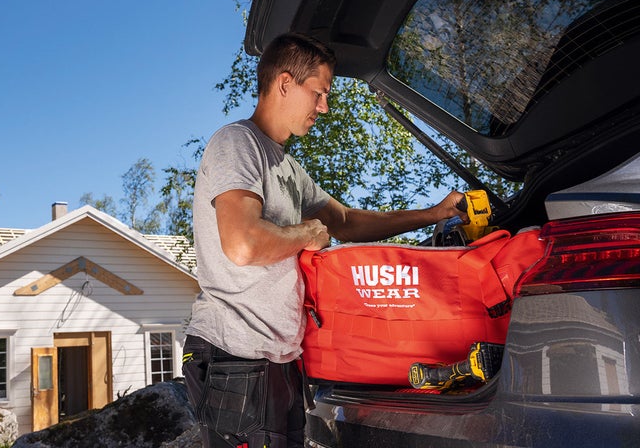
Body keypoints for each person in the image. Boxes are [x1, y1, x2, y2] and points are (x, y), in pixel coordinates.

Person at [182, 32, 465, 448]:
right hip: (235, 356)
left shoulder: (288, 167)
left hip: (276, 361)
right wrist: (307, 233)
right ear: (283, 84)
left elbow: (346, 220)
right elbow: (243, 244)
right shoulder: (237, 144)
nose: (324, 107)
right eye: (318, 93)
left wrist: (433, 214)